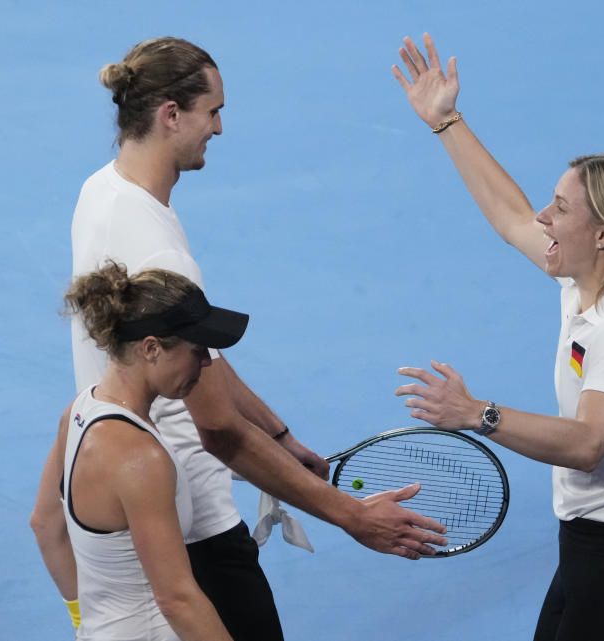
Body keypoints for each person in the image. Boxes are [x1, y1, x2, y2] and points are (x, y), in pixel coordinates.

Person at [30, 36, 447, 640]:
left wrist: (278, 434)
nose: (220, 128)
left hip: (127, 510)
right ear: (171, 114)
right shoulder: (154, 246)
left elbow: (205, 360)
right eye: (213, 111)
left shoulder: (102, 190)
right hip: (189, 522)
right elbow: (218, 426)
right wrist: (350, 516)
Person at [391, 33, 604, 641]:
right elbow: (509, 216)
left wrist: (478, 413)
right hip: (590, 551)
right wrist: (446, 120)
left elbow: (587, 443)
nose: (543, 218)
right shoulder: (584, 280)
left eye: (559, 208)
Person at [35, 263, 249, 640]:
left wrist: (83, 620)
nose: (206, 363)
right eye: (197, 350)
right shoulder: (140, 458)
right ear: (151, 348)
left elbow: (45, 526)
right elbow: (178, 599)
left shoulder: (79, 411)